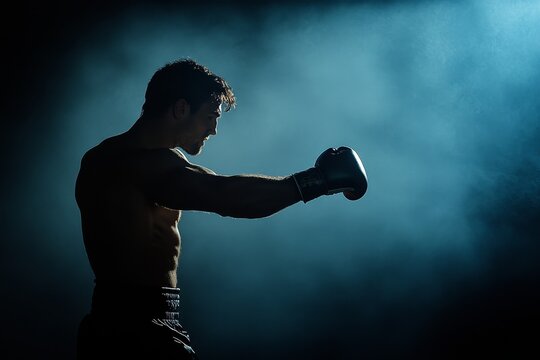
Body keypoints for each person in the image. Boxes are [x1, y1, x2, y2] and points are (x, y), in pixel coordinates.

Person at [75, 58, 368, 359]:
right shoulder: (132, 163)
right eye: (211, 116)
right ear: (180, 109)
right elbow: (226, 196)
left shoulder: (124, 158)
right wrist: (317, 181)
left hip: (127, 322)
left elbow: (215, 186)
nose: (214, 129)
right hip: (133, 332)